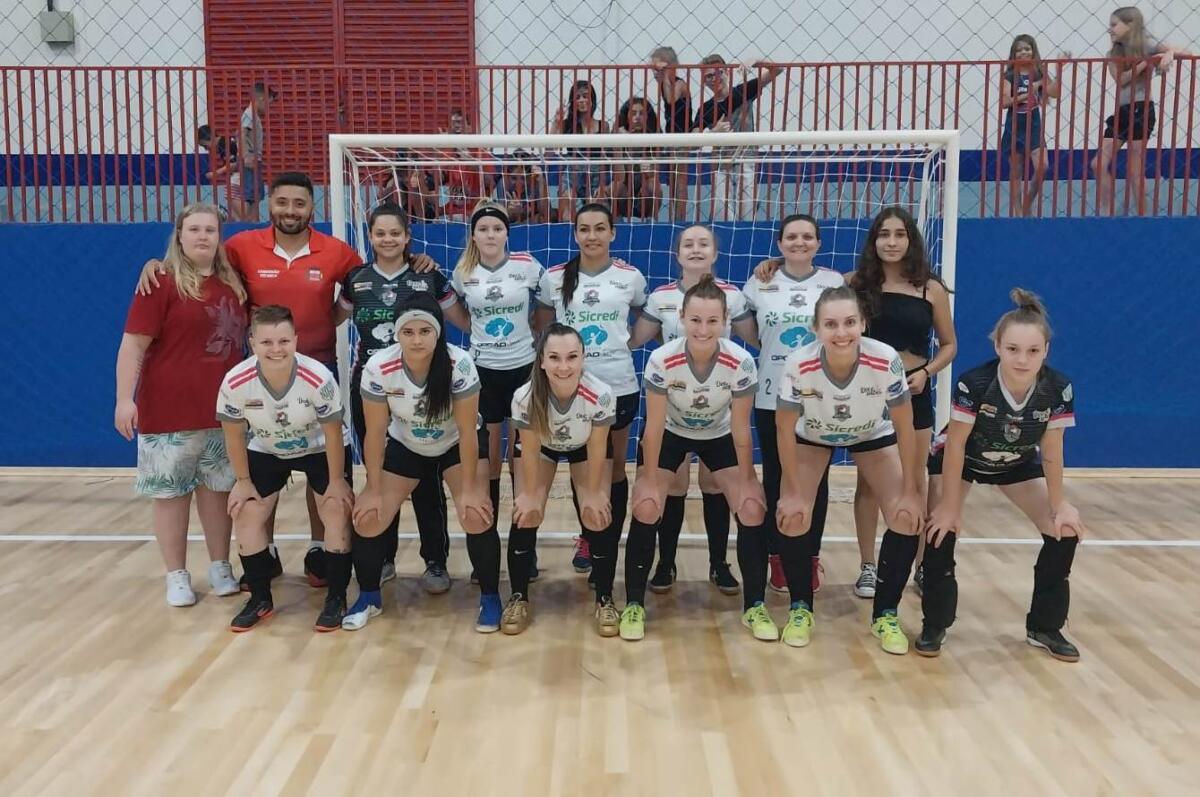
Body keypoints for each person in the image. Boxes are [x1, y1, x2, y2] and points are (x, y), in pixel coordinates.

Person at [137, 173, 436, 589]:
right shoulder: (242, 247)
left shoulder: (336, 252)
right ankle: (265, 551)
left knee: (321, 464)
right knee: (265, 462)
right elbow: (201, 260)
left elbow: (380, 270)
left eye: (299, 203)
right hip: (264, 377)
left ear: (312, 208)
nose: (290, 210)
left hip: (318, 372)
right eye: (282, 202)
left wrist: (418, 261)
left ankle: (319, 548)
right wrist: (159, 264)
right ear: (270, 205)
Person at [922, 289, 1083, 661]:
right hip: (962, 460)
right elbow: (956, 445)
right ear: (997, 347)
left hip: (1015, 463)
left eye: (1032, 351)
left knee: (1064, 531)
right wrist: (949, 506)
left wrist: (1059, 505)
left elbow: (1052, 450)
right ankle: (935, 624)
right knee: (940, 528)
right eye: (1013, 349)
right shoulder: (975, 383)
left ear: (1046, 351)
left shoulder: (1058, 388)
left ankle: (1044, 627)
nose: (1022, 359)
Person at [775, 286, 924, 652]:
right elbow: (783, 428)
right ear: (816, 328)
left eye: (849, 323)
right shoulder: (798, 363)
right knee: (793, 515)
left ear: (863, 324)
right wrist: (791, 491)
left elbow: (905, 425)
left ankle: (885, 614)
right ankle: (800, 608)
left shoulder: (885, 359)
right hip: (813, 436)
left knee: (906, 517)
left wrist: (911, 490)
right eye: (831, 324)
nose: (841, 332)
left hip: (871, 433)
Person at [115, 203, 248, 607]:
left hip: (221, 413)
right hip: (168, 410)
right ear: (179, 235)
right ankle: (176, 575)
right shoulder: (160, 282)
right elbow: (133, 345)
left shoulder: (232, 285)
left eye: (210, 229)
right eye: (194, 229)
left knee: (218, 491)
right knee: (172, 495)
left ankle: (220, 566)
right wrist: (124, 399)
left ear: (219, 237)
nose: (203, 236)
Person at [622, 275, 766, 641]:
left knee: (752, 508)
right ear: (682, 318)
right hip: (671, 433)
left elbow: (741, 429)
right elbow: (653, 427)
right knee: (647, 506)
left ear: (726, 321)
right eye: (696, 320)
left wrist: (749, 478)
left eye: (712, 320)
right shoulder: (661, 359)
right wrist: (648, 479)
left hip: (718, 436)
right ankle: (634, 604)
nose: (703, 329)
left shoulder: (741, 361)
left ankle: (755, 606)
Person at [339, 202, 469, 593]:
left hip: (426, 386)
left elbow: (463, 320)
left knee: (426, 476)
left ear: (407, 237)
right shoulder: (356, 279)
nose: (388, 239)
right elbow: (329, 317)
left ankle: (435, 561)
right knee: (380, 474)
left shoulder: (427, 275)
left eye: (395, 233)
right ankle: (384, 558)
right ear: (370, 236)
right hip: (372, 387)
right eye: (380, 233)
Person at [350, 296, 495, 632]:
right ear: (397, 334)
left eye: (425, 331)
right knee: (369, 517)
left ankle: (490, 598)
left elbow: (467, 431)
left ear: (438, 332)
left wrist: (471, 488)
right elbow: (375, 434)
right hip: (407, 444)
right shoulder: (378, 368)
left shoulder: (459, 364)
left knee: (475, 514)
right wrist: (373, 488)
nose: (417, 340)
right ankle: (369, 597)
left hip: (455, 444)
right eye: (409, 332)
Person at [630, 224, 755, 595]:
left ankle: (719, 564)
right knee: (674, 485)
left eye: (704, 244)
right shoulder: (661, 297)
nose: (696, 249)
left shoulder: (733, 296)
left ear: (715, 253)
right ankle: (665, 563)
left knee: (715, 485)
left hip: (717, 406)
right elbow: (635, 339)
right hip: (673, 400)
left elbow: (757, 337)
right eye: (688, 243)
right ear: (677, 253)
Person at [217, 305, 354, 632]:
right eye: (266, 342)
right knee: (245, 511)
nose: (276, 349)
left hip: (320, 447)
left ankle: (336, 598)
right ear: (252, 342)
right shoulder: (236, 381)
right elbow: (233, 434)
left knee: (335, 508)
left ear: (296, 340)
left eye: (283, 341)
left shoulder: (318, 377)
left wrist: (337, 481)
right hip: (267, 448)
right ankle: (259, 598)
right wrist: (242, 481)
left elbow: (334, 432)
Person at [847, 207, 957, 600]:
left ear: (911, 240)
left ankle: (921, 565)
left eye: (899, 234)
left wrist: (926, 373)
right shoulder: (854, 284)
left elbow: (949, 345)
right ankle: (868, 566)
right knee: (869, 483)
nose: (891, 242)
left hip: (913, 391)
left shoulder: (930, 289)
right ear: (873, 240)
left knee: (916, 480)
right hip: (868, 394)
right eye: (884, 234)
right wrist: (773, 265)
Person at [535, 203, 647, 584]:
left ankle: (604, 541)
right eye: (584, 229)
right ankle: (588, 536)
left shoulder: (630, 277)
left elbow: (645, 318)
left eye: (600, 228)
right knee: (580, 466)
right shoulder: (554, 278)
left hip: (618, 385)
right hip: (569, 388)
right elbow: (543, 327)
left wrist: (624, 344)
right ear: (575, 233)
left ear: (612, 233)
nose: (592, 235)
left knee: (612, 469)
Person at [744, 215, 844, 596]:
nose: (799, 242)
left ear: (818, 243)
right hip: (771, 395)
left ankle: (809, 557)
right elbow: (752, 333)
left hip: (820, 395)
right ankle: (778, 557)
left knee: (816, 480)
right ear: (779, 243)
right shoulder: (760, 282)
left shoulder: (833, 282)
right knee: (776, 476)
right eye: (791, 236)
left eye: (807, 236)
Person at [451, 202, 547, 583]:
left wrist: (531, 334)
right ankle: (486, 553)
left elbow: (545, 309)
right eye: (483, 229)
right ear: (474, 235)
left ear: (507, 233)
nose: (490, 235)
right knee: (487, 462)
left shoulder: (527, 266)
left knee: (522, 462)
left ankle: (525, 550)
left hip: (524, 371)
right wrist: (479, 334)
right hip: (483, 374)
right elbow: (459, 315)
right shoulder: (464, 272)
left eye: (497, 228)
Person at [507, 323, 615, 635]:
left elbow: (598, 447)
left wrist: (593, 493)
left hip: (585, 447)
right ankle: (518, 597)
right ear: (541, 360)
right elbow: (529, 449)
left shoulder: (601, 394)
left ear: (583, 358)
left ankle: (605, 599)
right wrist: (529, 495)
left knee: (595, 514)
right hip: (542, 448)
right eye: (554, 357)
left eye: (572, 357)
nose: (564, 367)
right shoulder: (524, 397)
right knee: (526, 513)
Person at [1090, 7, 1189, 216]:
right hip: (1122, 112)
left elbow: (1184, 51)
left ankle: (1143, 216)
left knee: (1135, 171)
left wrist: (1168, 54)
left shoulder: (1147, 45)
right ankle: (1107, 210)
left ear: (1131, 25)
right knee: (1098, 163)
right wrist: (1148, 61)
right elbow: (1122, 80)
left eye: (1114, 25)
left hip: (1141, 110)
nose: (1110, 29)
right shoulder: (1114, 54)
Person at [694, 56, 784, 221]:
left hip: (746, 160)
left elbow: (777, 69)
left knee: (747, 215)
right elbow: (692, 141)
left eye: (717, 73)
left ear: (726, 72)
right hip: (721, 164)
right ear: (703, 81)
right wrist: (713, 134)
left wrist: (757, 61)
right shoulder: (705, 108)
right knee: (722, 216)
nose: (713, 79)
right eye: (708, 76)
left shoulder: (743, 91)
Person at [999, 36, 1066, 216]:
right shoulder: (1010, 76)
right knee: (1016, 171)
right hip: (1014, 126)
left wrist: (1059, 70)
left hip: (1034, 126)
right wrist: (1029, 91)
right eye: (1019, 50)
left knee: (1043, 166)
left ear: (1033, 51)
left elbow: (1055, 93)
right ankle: (1018, 211)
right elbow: (1005, 102)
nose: (1024, 52)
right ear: (1014, 54)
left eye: (1027, 49)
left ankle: (1028, 201)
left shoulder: (1038, 73)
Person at [552, 80, 611, 221]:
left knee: (597, 213)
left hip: (595, 175)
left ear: (592, 99)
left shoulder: (603, 126)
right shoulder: (567, 124)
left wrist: (602, 185)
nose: (582, 100)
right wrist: (556, 123)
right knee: (567, 208)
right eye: (577, 97)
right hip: (573, 174)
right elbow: (551, 148)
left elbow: (605, 159)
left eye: (585, 96)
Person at [649, 46, 693, 220]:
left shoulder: (680, 84)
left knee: (680, 178)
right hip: (672, 134)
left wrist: (666, 74)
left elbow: (671, 99)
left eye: (658, 69)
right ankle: (674, 216)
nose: (655, 73)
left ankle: (680, 218)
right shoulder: (664, 85)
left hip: (683, 135)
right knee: (672, 179)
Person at [610, 97, 663, 220]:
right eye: (633, 113)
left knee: (654, 185)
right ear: (627, 116)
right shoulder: (618, 136)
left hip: (644, 194)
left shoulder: (654, 138)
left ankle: (651, 222)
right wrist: (620, 145)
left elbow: (650, 175)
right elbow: (620, 177)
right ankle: (615, 222)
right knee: (611, 188)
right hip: (624, 192)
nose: (637, 117)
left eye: (641, 113)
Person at [238, 81, 277, 222]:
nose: (267, 108)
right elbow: (242, 133)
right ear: (261, 99)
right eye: (267, 103)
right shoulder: (249, 115)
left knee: (256, 195)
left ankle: (252, 222)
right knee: (250, 195)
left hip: (254, 159)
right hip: (250, 159)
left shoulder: (252, 115)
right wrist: (246, 155)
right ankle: (247, 223)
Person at [492, 152, 551, 223]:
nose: (518, 183)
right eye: (514, 178)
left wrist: (541, 182)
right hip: (513, 221)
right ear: (506, 177)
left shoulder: (536, 180)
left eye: (523, 178)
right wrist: (511, 212)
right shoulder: (503, 183)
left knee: (549, 215)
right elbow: (500, 218)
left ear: (530, 177)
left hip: (530, 219)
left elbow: (546, 214)